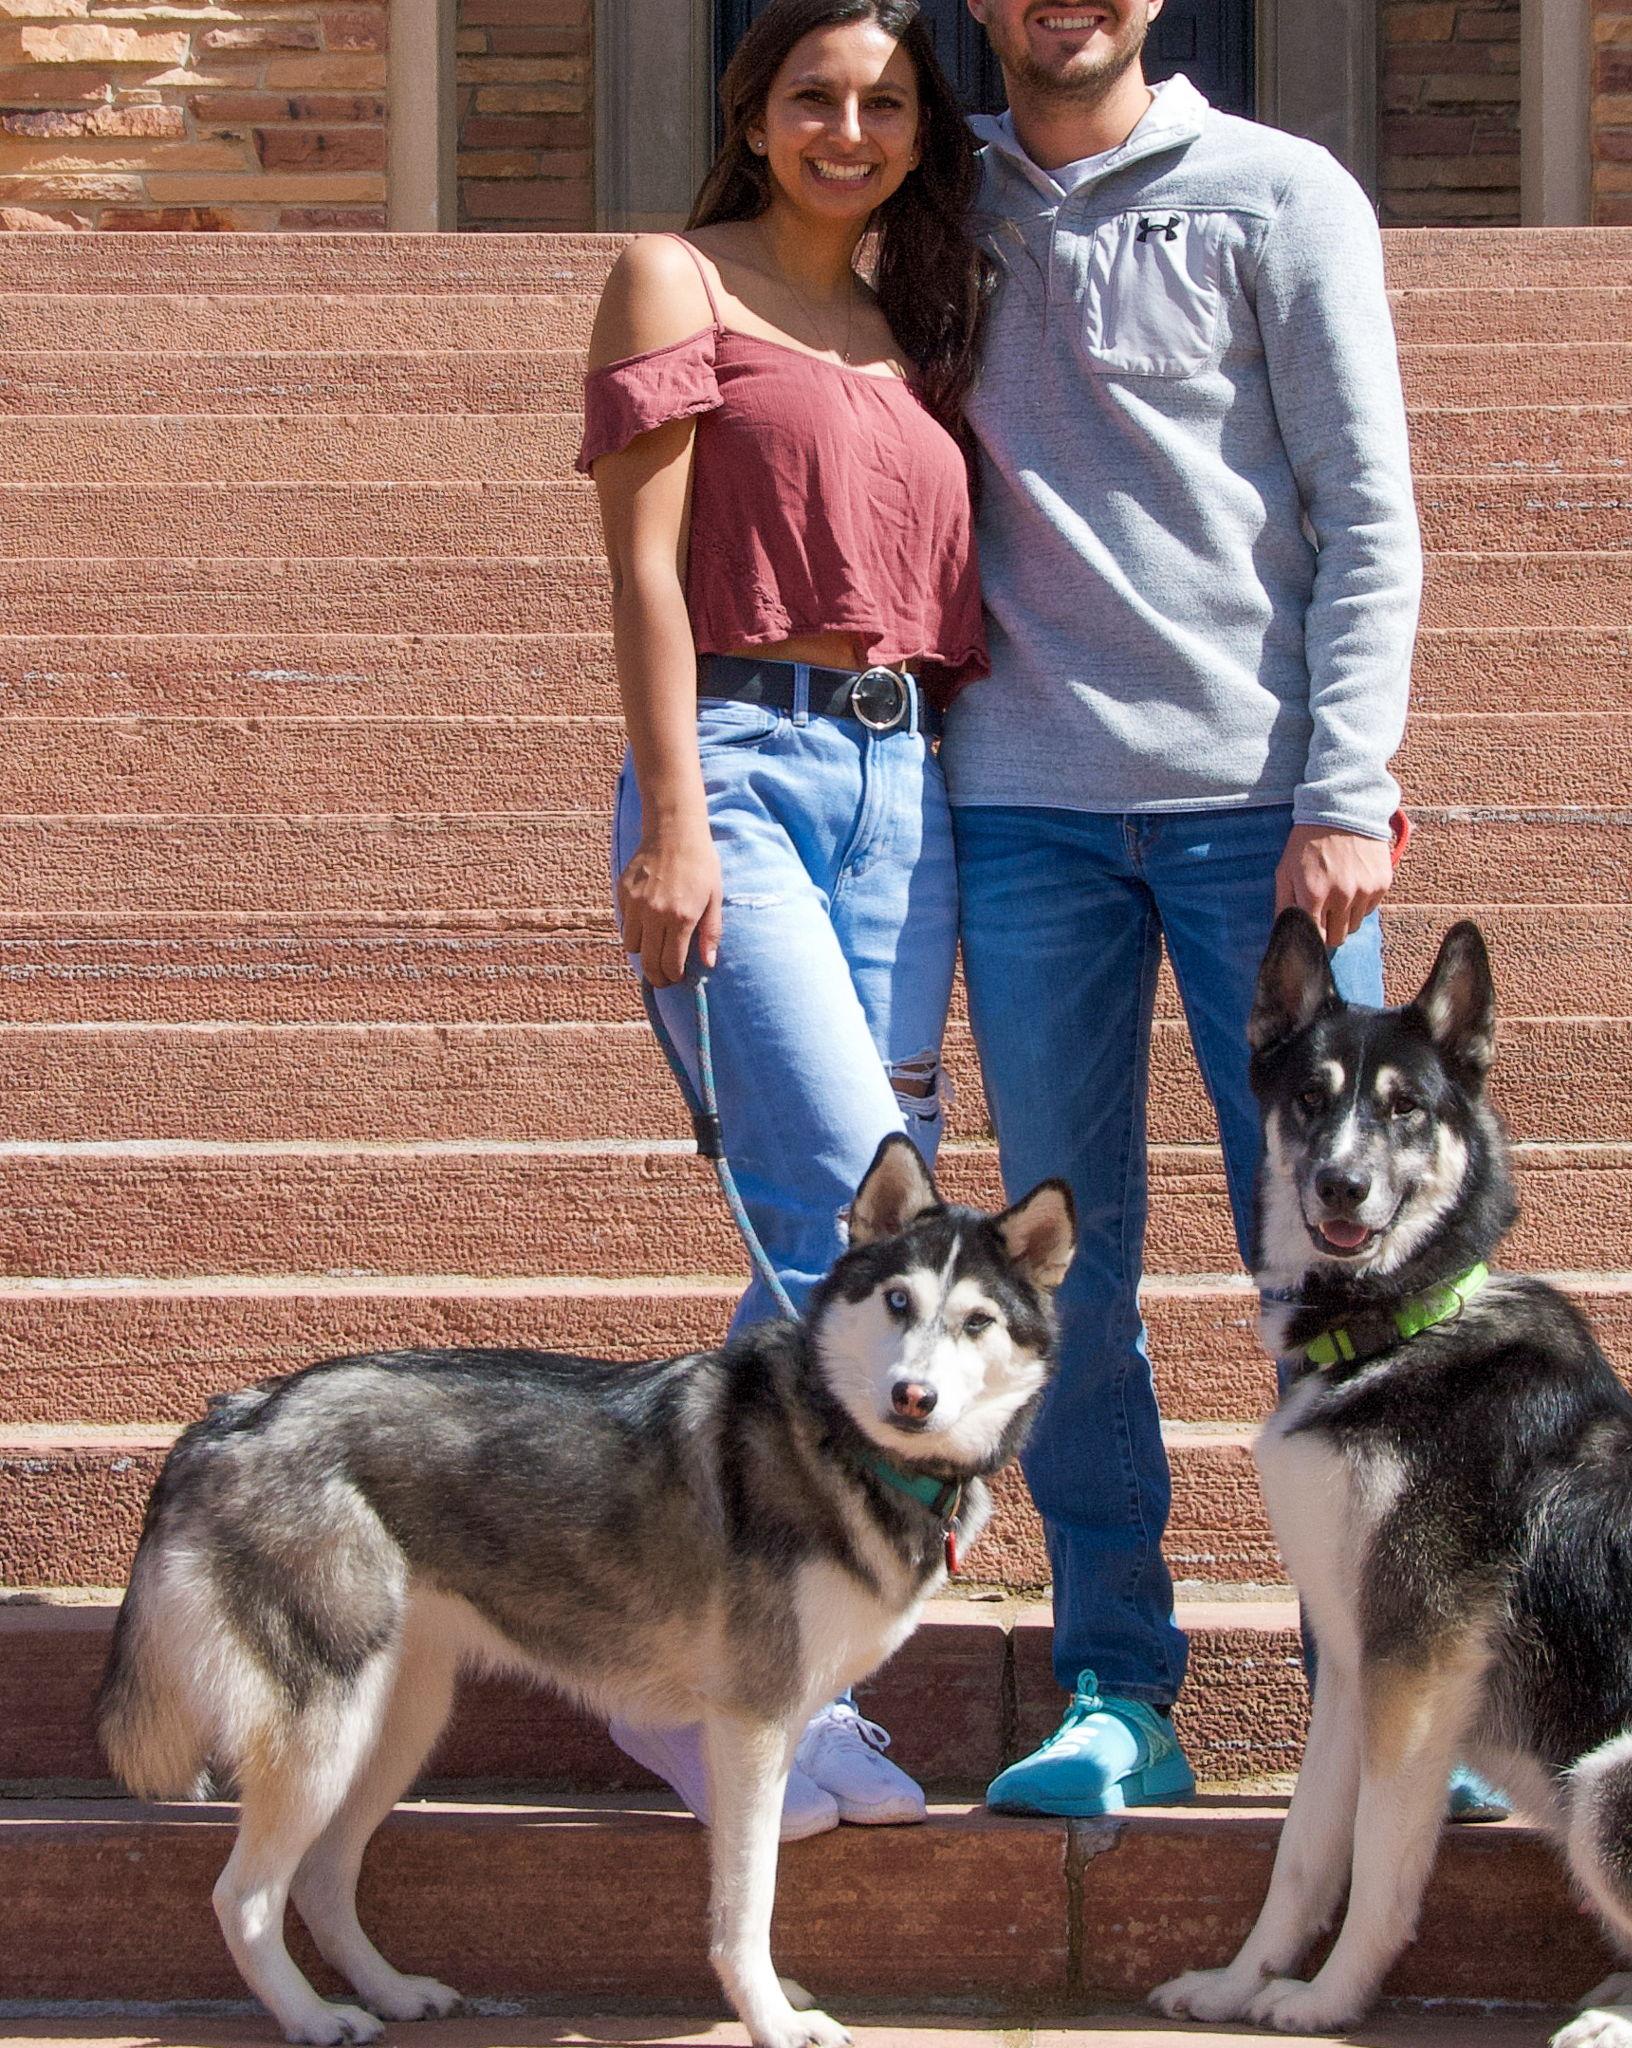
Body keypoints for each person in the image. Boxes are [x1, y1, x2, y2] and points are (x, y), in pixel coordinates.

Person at [947, 0, 1506, 1825]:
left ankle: (1416, 1687)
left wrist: (1350, 782)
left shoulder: (1285, 194)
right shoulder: (930, 205)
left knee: (1353, 1259)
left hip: (1258, 820)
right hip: (1020, 809)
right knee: (1066, 1265)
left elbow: (1367, 505)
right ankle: (1117, 1682)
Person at [577, 0, 991, 1839]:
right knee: (846, 1200)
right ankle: (685, 1687)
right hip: (742, 769)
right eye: (815, 95)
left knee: (839, 1245)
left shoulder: (918, 323)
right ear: (753, 114)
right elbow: (647, 569)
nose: (851, 126)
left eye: (887, 100)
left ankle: (752, 1668)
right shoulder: (677, 276)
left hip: (906, 793)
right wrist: (676, 818)